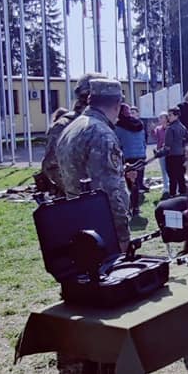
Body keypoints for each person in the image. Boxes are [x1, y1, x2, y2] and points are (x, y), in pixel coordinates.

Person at [56, 78, 131, 252]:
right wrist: (122, 235)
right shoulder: (101, 134)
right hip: (103, 229)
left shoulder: (73, 127)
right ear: (117, 105)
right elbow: (109, 191)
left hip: (77, 220)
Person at [38, 72, 108, 195]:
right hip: (75, 199)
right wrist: (82, 191)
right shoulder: (65, 125)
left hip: (103, 196)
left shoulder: (103, 124)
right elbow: (51, 166)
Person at [115, 102, 147, 215]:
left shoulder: (118, 126)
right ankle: (136, 207)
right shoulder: (140, 124)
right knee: (137, 183)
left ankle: (130, 207)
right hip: (141, 155)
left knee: (129, 183)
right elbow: (144, 140)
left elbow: (117, 142)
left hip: (128, 157)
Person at [160, 108, 188, 196]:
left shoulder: (170, 128)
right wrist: (181, 143)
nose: (168, 117)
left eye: (170, 115)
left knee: (172, 178)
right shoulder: (182, 126)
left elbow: (167, 146)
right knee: (181, 177)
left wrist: (160, 152)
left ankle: (173, 195)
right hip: (181, 155)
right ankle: (183, 195)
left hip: (172, 156)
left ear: (176, 116)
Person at [152, 112, 170, 193]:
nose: (160, 119)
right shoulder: (158, 129)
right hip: (161, 152)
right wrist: (152, 130)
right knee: (163, 170)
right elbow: (155, 138)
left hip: (169, 152)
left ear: (166, 118)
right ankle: (166, 187)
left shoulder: (170, 128)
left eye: (162, 117)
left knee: (171, 170)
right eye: (159, 118)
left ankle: (172, 186)